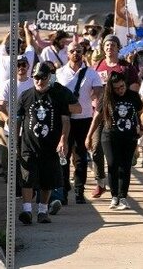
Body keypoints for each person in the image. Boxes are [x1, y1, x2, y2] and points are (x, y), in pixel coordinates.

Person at [17, 62, 74, 225]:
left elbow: (66, 120)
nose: (39, 81)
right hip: (28, 145)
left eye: (42, 77)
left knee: (47, 180)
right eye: (36, 77)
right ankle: (27, 211)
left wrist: (63, 139)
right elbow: (18, 120)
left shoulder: (58, 95)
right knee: (27, 178)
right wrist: (15, 141)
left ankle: (43, 211)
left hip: (50, 146)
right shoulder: (26, 95)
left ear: (49, 77)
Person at [92, 35, 140, 198]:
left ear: (118, 47)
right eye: (106, 45)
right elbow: (91, 87)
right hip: (101, 111)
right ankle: (100, 181)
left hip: (122, 114)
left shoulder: (126, 67)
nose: (109, 47)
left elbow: (134, 88)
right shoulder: (98, 65)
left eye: (113, 45)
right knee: (96, 148)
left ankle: (119, 190)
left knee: (119, 158)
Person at [86, 72, 143, 210]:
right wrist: (89, 136)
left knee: (125, 166)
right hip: (109, 135)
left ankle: (123, 197)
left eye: (122, 86)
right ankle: (114, 196)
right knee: (112, 164)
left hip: (129, 136)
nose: (120, 90)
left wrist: (141, 128)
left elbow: (141, 114)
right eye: (117, 88)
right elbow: (97, 118)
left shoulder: (133, 96)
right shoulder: (106, 97)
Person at [56, 41, 103, 204]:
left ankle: (79, 190)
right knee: (63, 155)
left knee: (80, 157)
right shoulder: (60, 73)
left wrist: (95, 97)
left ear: (83, 53)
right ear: (67, 54)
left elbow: (98, 92)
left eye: (79, 51)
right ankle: (62, 190)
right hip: (64, 120)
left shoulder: (91, 73)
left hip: (84, 119)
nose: (76, 53)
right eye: (72, 51)